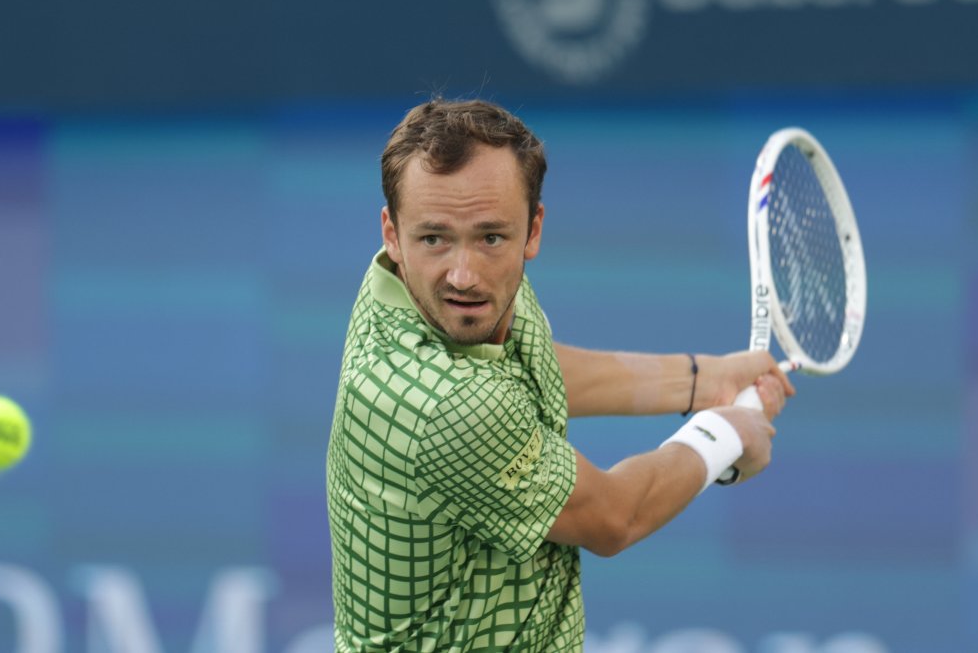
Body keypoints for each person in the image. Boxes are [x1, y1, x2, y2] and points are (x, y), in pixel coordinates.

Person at [326, 98, 795, 651]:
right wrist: (727, 434)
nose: (464, 274)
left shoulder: (405, 287)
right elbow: (616, 516)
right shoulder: (448, 404)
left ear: (533, 230)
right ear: (392, 232)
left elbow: (536, 368)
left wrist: (701, 379)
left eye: (490, 238)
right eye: (434, 239)